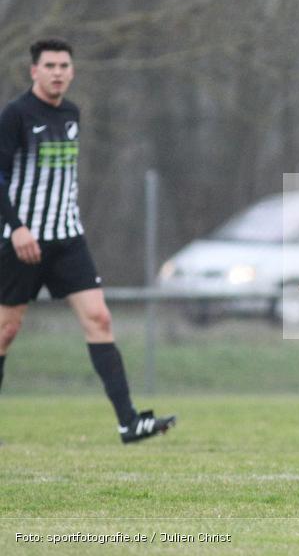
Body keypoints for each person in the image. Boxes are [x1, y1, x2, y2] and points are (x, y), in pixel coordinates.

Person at [0, 39, 175, 444]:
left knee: (100, 319)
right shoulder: (15, 115)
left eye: (64, 65)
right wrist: (17, 226)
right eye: (50, 65)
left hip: (68, 239)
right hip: (22, 240)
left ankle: (129, 422)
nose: (58, 71)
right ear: (34, 71)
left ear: (72, 71)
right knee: (7, 330)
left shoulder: (72, 114)